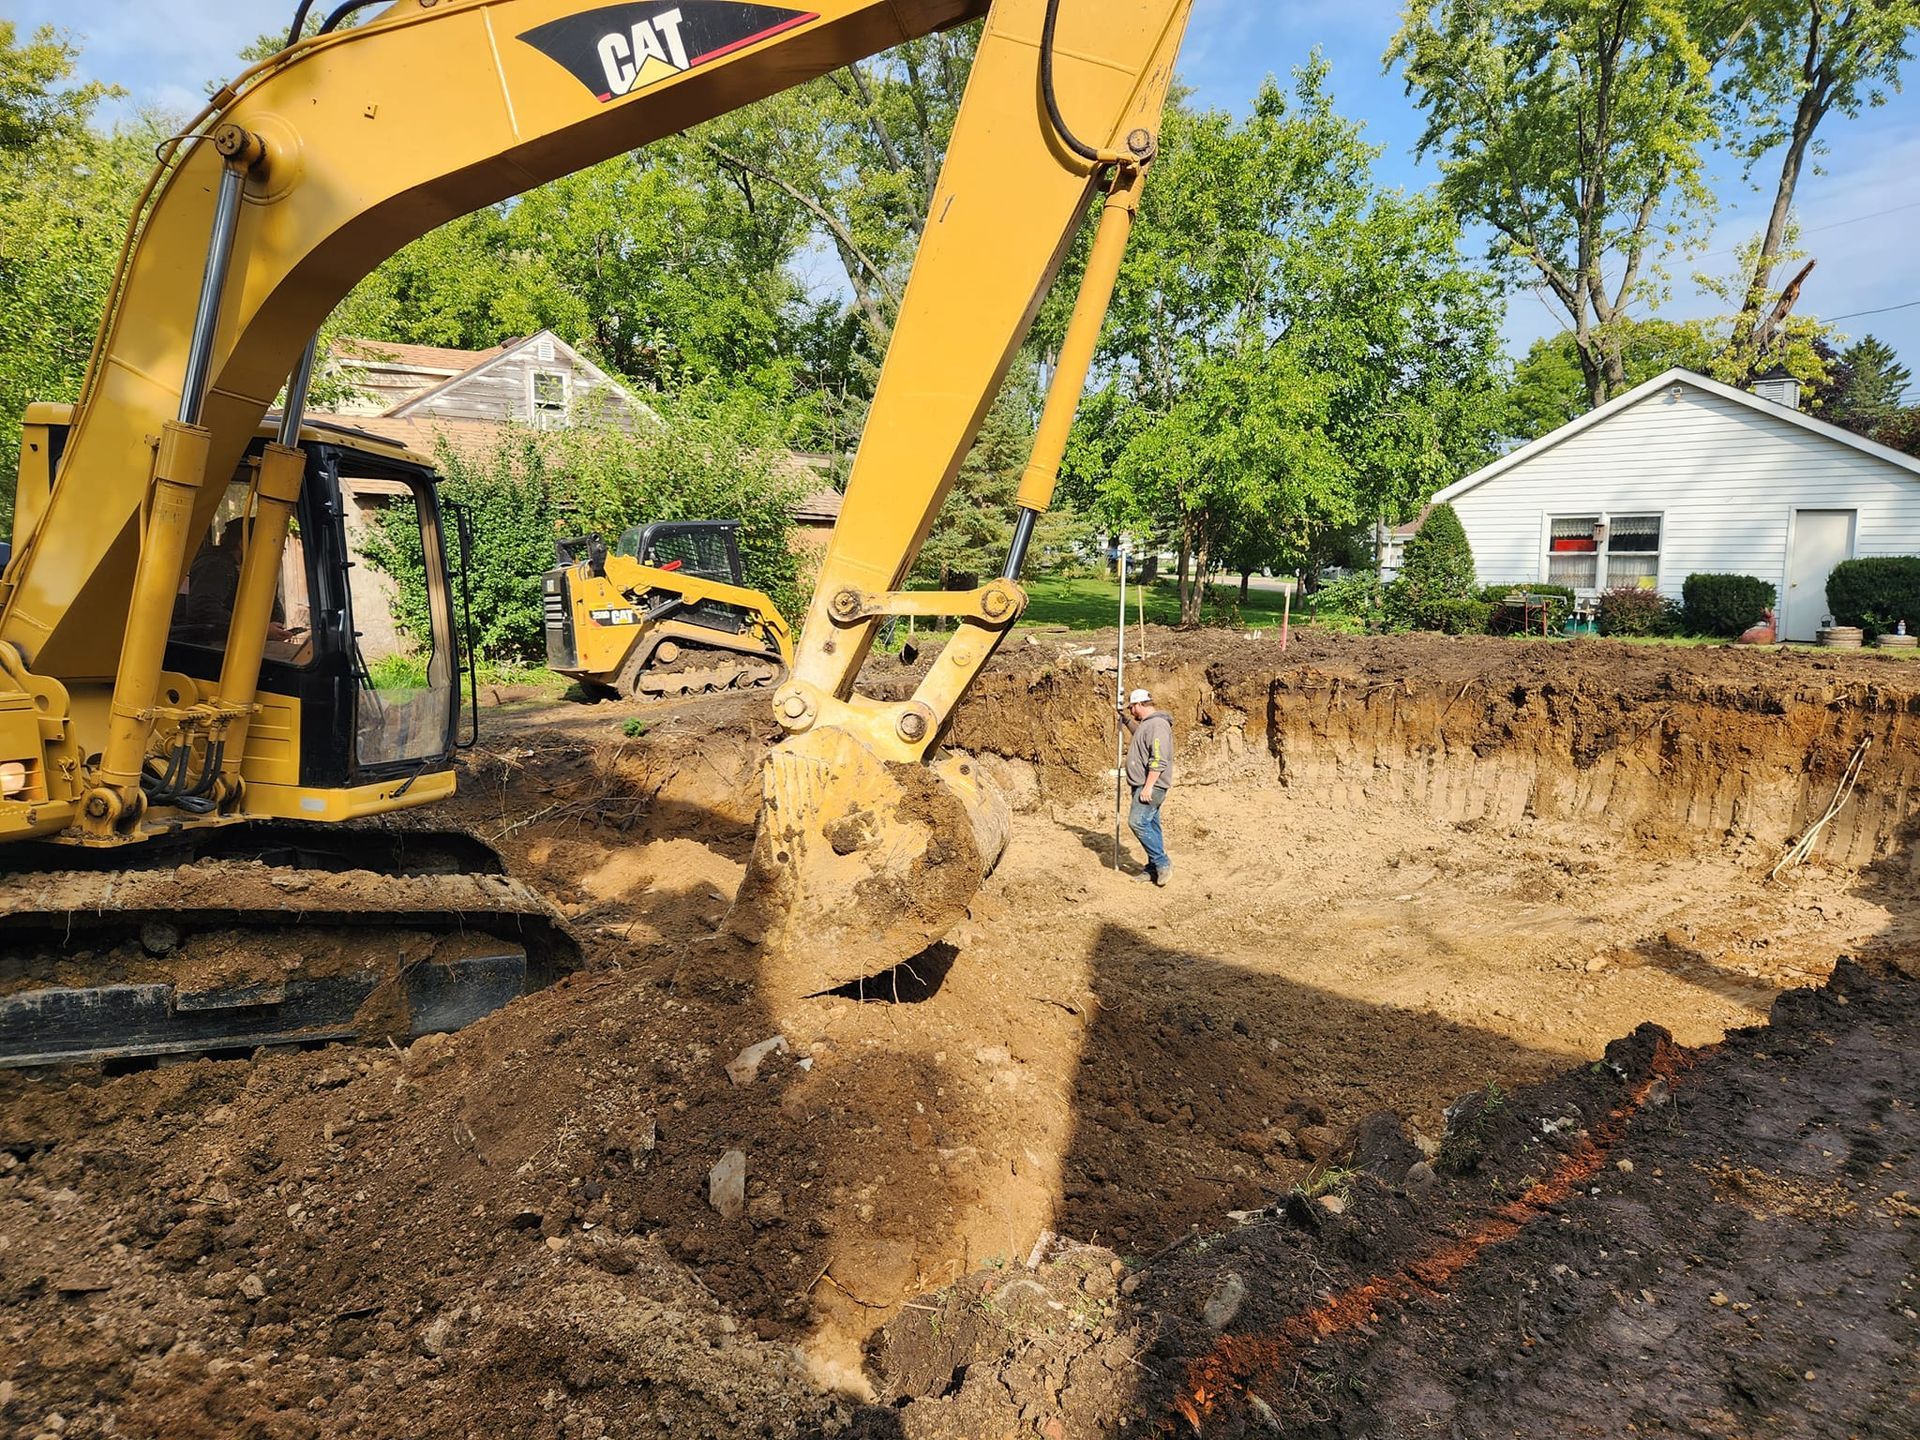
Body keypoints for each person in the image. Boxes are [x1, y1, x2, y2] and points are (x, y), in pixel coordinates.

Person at [1118, 686, 1174, 886]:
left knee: (1137, 822)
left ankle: (1162, 862)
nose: (1131, 711)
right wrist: (1125, 721)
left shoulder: (1158, 725)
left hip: (1151, 785)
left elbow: (1159, 758)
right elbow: (1140, 734)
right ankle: (1152, 869)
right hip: (1143, 784)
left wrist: (1148, 787)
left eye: (1132, 708)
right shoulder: (1147, 725)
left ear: (1139, 704)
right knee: (1151, 823)